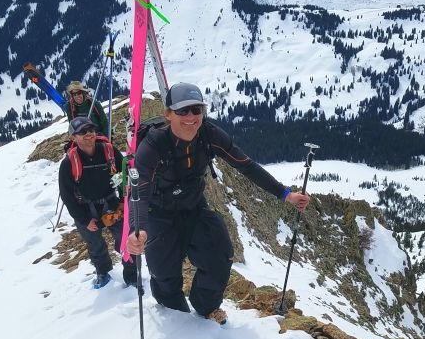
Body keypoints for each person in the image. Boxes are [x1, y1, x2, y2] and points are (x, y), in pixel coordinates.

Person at [126, 83, 310, 325]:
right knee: (164, 274)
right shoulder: (153, 146)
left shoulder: (209, 135)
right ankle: (174, 316)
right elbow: (140, 191)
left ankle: (206, 308)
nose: (190, 117)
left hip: (194, 206)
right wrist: (136, 230)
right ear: (168, 114)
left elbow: (246, 165)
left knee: (219, 257)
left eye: (196, 109)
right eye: (182, 111)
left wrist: (285, 194)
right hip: (158, 213)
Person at [59, 116, 137, 289]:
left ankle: (131, 275)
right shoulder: (69, 163)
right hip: (85, 209)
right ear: (74, 138)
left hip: (111, 203)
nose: (88, 134)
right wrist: (84, 220)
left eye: (91, 130)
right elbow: (67, 195)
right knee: (94, 243)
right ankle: (103, 271)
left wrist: (124, 202)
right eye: (82, 132)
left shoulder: (109, 151)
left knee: (125, 238)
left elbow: (124, 174)